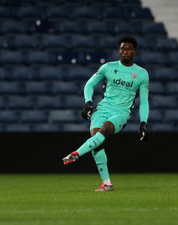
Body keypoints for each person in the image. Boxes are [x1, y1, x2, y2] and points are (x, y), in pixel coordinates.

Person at [62, 36, 149, 192]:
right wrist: (88, 102)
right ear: (119, 50)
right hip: (102, 110)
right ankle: (107, 184)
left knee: (105, 129)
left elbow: (144, 101)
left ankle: (76, 153)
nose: (125, 51)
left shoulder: (141, 74)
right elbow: (89, 84)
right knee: (97, 143)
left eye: (128, 48)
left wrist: (143, 122)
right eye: (122, 48)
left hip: (121, 112)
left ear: (134, 51)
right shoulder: (107, 67)